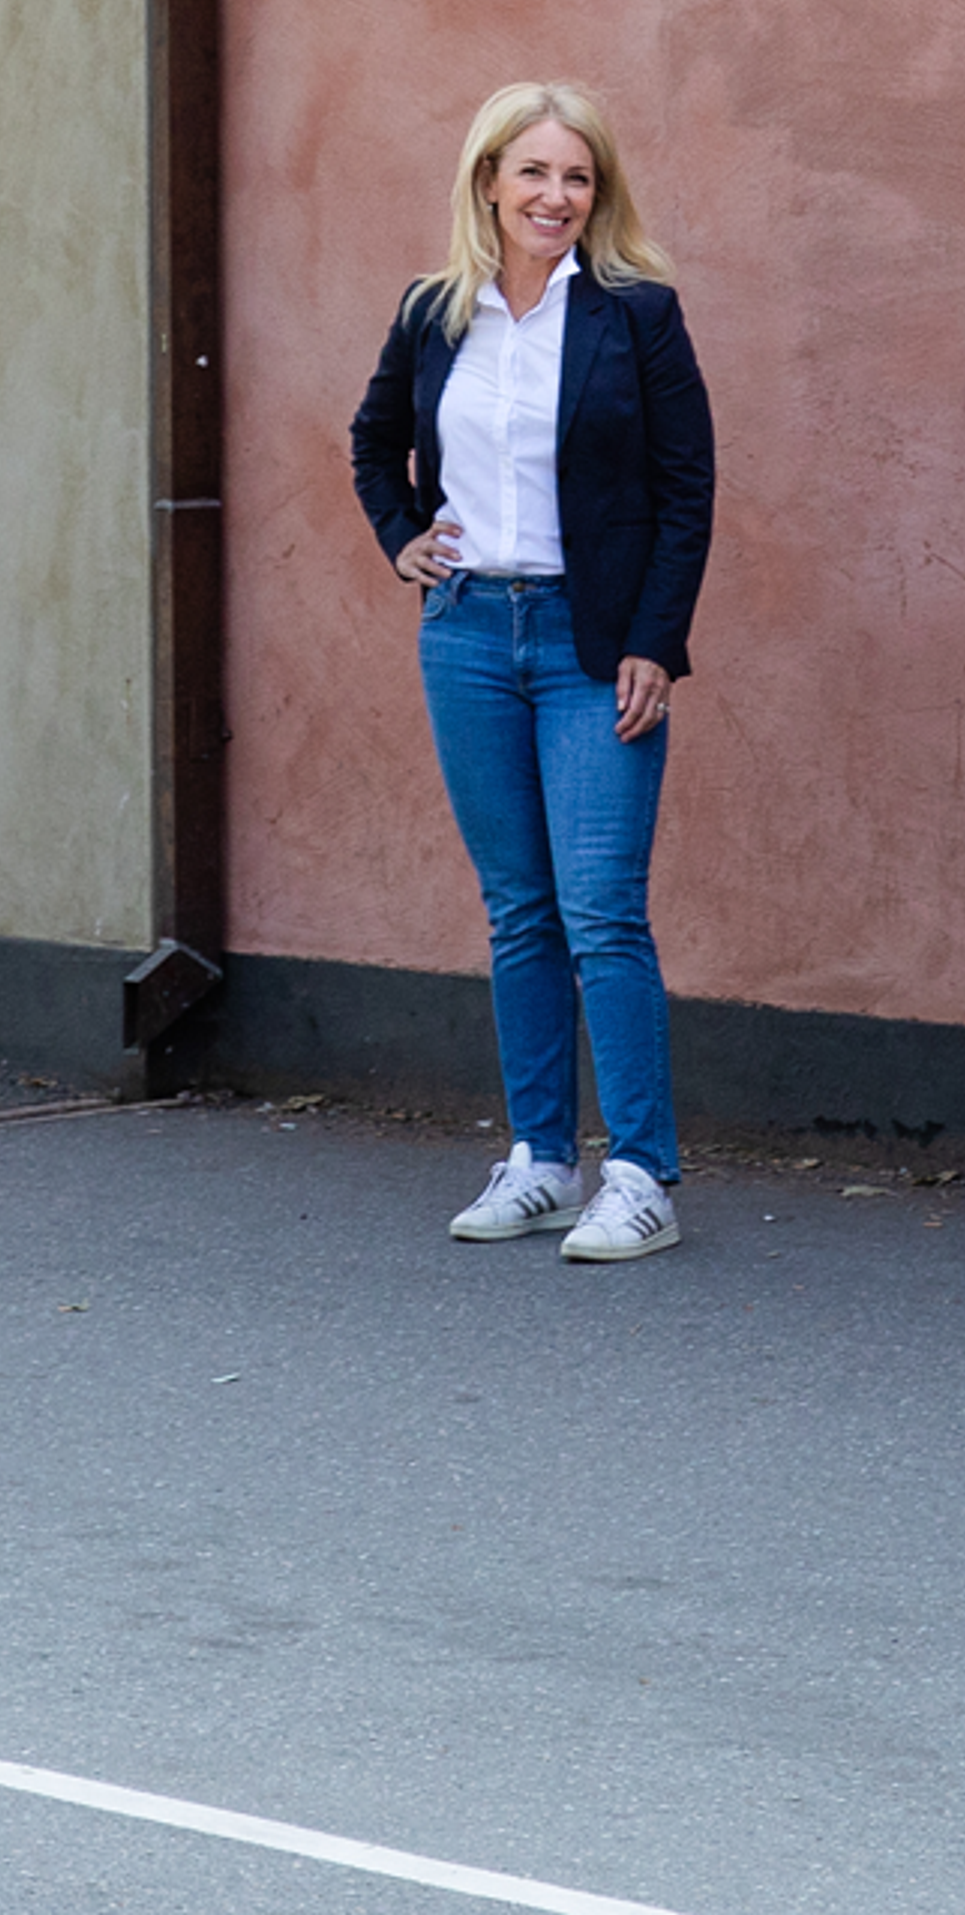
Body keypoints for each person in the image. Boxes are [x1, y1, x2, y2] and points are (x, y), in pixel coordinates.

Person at [349, 80, 714, 1265]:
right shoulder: (433, 313)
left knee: (602, 910)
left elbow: (685, 491)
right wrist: (403, 530)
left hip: (589, 641)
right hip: (463, 633)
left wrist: (656, 640)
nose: (557, 197)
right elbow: (371, 439)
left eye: (579, 177)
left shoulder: (636, 315)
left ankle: (644, 1174)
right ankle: (542, 1160)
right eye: (536, 175)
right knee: (519, 915)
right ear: (488, 184)